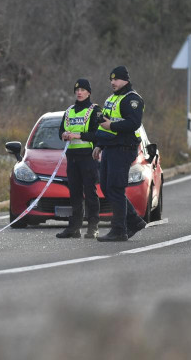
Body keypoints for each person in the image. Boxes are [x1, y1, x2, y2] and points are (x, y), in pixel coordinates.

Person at [92, 66, 147, 242]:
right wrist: (99, 145)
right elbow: (105, 123)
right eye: (111, 79)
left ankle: (119, 230)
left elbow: (134, 123)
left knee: (115, 188)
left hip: (124, 148)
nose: (113, 82)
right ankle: (134, 221)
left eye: (116, 79)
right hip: (110, 147)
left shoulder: (133, 99)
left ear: (126, 80)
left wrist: (112, 126)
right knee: (108, 188)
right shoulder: (111, 99)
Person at [57, 79, 104, 239]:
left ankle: (93, 227)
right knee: (74, 193)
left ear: (89, 92)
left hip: (88, 157)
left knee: (90, 192)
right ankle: (74, 227)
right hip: (72, 158)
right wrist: (64, 135)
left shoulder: (95, 110)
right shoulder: (69, 111)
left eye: (83, 89)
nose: (79, 92)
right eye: (77, 89)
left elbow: (97, 134)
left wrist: (78, 135)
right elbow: (61, 131)